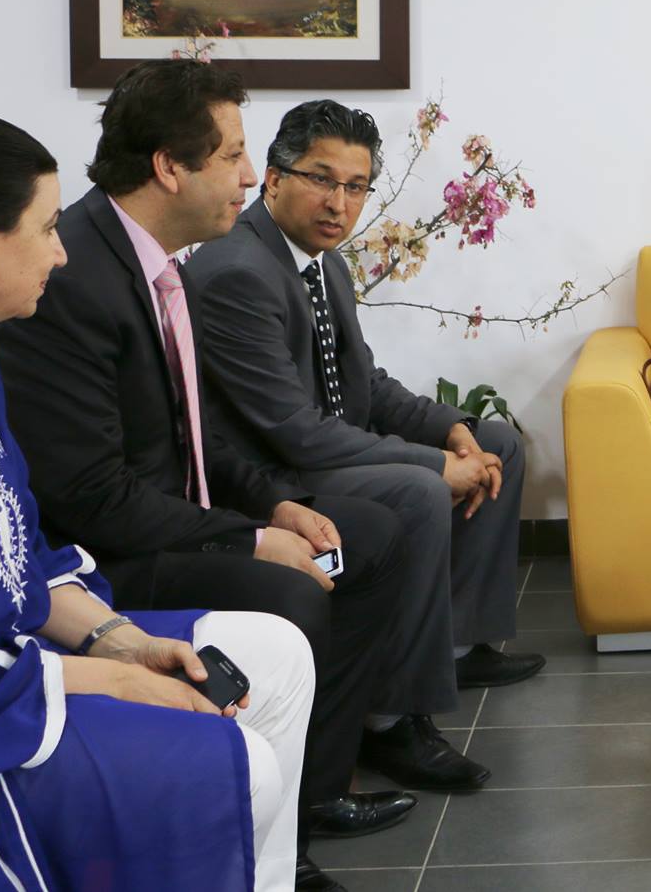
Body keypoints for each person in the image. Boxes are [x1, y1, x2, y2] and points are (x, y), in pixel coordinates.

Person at [0, 60, 416, 892]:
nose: (252, 175)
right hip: (105, 554)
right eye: (232, 154)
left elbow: (194, 434)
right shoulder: (78, 279)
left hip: (167, 514)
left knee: (364, 536)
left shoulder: (156, 260)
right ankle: (278, 843)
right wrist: (249, 539)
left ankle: (315, 786)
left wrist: (277, 505)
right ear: (168, 167)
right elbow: (93, 497)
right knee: (293, 590)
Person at [0, 112, 314, 892]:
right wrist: (116, 679)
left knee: (277, 653)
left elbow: (20, 553)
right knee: (241, 765)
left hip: (16, 660)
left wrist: (120, 641)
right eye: (47, 227)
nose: (62, 251)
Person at [190, 99, 545, 790]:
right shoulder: (239, 271)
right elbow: (296, 431)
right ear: (273, 177)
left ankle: (456, 646)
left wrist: (451, 429)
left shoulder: (321, 262)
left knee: (498, 440)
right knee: (419, 489)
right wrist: (436, 463)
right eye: (322, 179)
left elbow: (366, 385)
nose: (339, 203)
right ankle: (390, 717)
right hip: (277, 475)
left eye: (356, 186)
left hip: (323, 448)